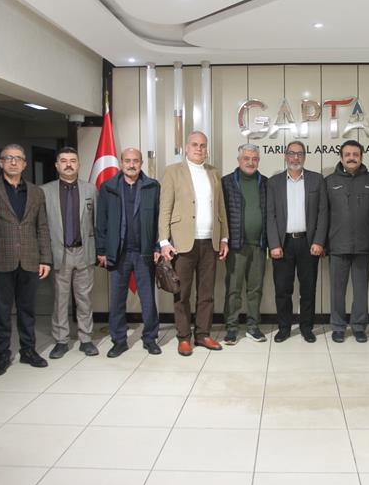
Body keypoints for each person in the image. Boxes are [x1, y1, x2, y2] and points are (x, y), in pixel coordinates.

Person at [0, 144, 52, 376]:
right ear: (0, 162)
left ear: (24, 164)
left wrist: (45, 258)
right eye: (8, 158)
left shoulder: (36, 192)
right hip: (0, 259)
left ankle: (28, 351)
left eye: (18, 158)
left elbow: (42, 226)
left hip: (30, 259)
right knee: (2, 311)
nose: (13, 162)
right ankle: (2, 354)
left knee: (27, 310)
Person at [159, 131, 229, 356]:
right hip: (182, 243)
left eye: (203, 145)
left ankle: (203, 334)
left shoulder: (214, 172)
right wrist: (164, 241)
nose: (199, 149)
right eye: (195, 145)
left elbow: (221, 207)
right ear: (186, 148)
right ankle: (183, 337)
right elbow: (165, 208)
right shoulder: (173, 172)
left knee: (207, 293)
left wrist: (224, 237)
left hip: (210, 241)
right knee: (182, 293)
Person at [96, 147, 162, 357]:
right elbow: (101, 221)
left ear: (141, 163)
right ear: (121, 163)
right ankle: (119, 341)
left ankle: (150, 338)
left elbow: (159, 219)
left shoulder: (152, 186)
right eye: (127, 161)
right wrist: (101, 250)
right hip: (118, 253)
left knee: (148, 299)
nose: (131, 165)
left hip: (144, 252)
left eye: (135, 161)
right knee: (117, 300)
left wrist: (158, 246)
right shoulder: (108, 188)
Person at [40, 147, 99, 359]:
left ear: (78, 164)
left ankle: (86, 339)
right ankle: (61, 341)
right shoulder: (44, 191)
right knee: (60, 299)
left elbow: (97, 223)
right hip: (59, 252)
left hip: (84, 251)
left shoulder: (90, 190)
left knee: (84, 299)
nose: (68, 164)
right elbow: (41, 226)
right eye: (64, 161)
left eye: (72, 160)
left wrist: (99, 251)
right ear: (57, 165)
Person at [266, 141, 328, 343]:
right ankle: (284, 328)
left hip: (308, 243)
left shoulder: (316, 180)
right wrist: (274, 244)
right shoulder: (274, 182)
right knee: (283, 289)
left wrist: (319, 241)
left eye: (299, 153)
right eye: (291, 153)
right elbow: (270, 215)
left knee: (308, 289)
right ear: (285, 156)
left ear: (304, 156)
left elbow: (323, 213)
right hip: (283, 243)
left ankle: (306, 327)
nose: (295, 157)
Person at [325, 140, 369, 343]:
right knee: (337, 291)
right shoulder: (329, 181)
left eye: (355, 154)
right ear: (341, 157)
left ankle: (359, 326)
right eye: (347, 154)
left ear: (361, 157)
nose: (351, 158)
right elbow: (323, 215)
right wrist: (323, 243)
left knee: (361, 290)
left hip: (364, 245)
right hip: (337, 245)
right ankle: (338, 327)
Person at [221, 144, 268, 345]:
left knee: (255, 289)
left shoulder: (265, 183)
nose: (250, 162)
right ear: (239, 160)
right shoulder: (227, 182)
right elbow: (221, 214)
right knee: (233, 288)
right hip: (236, 245)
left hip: (259, 245)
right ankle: (231, 328)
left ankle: (253, 327)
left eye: (254, 158)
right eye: (246, 158)